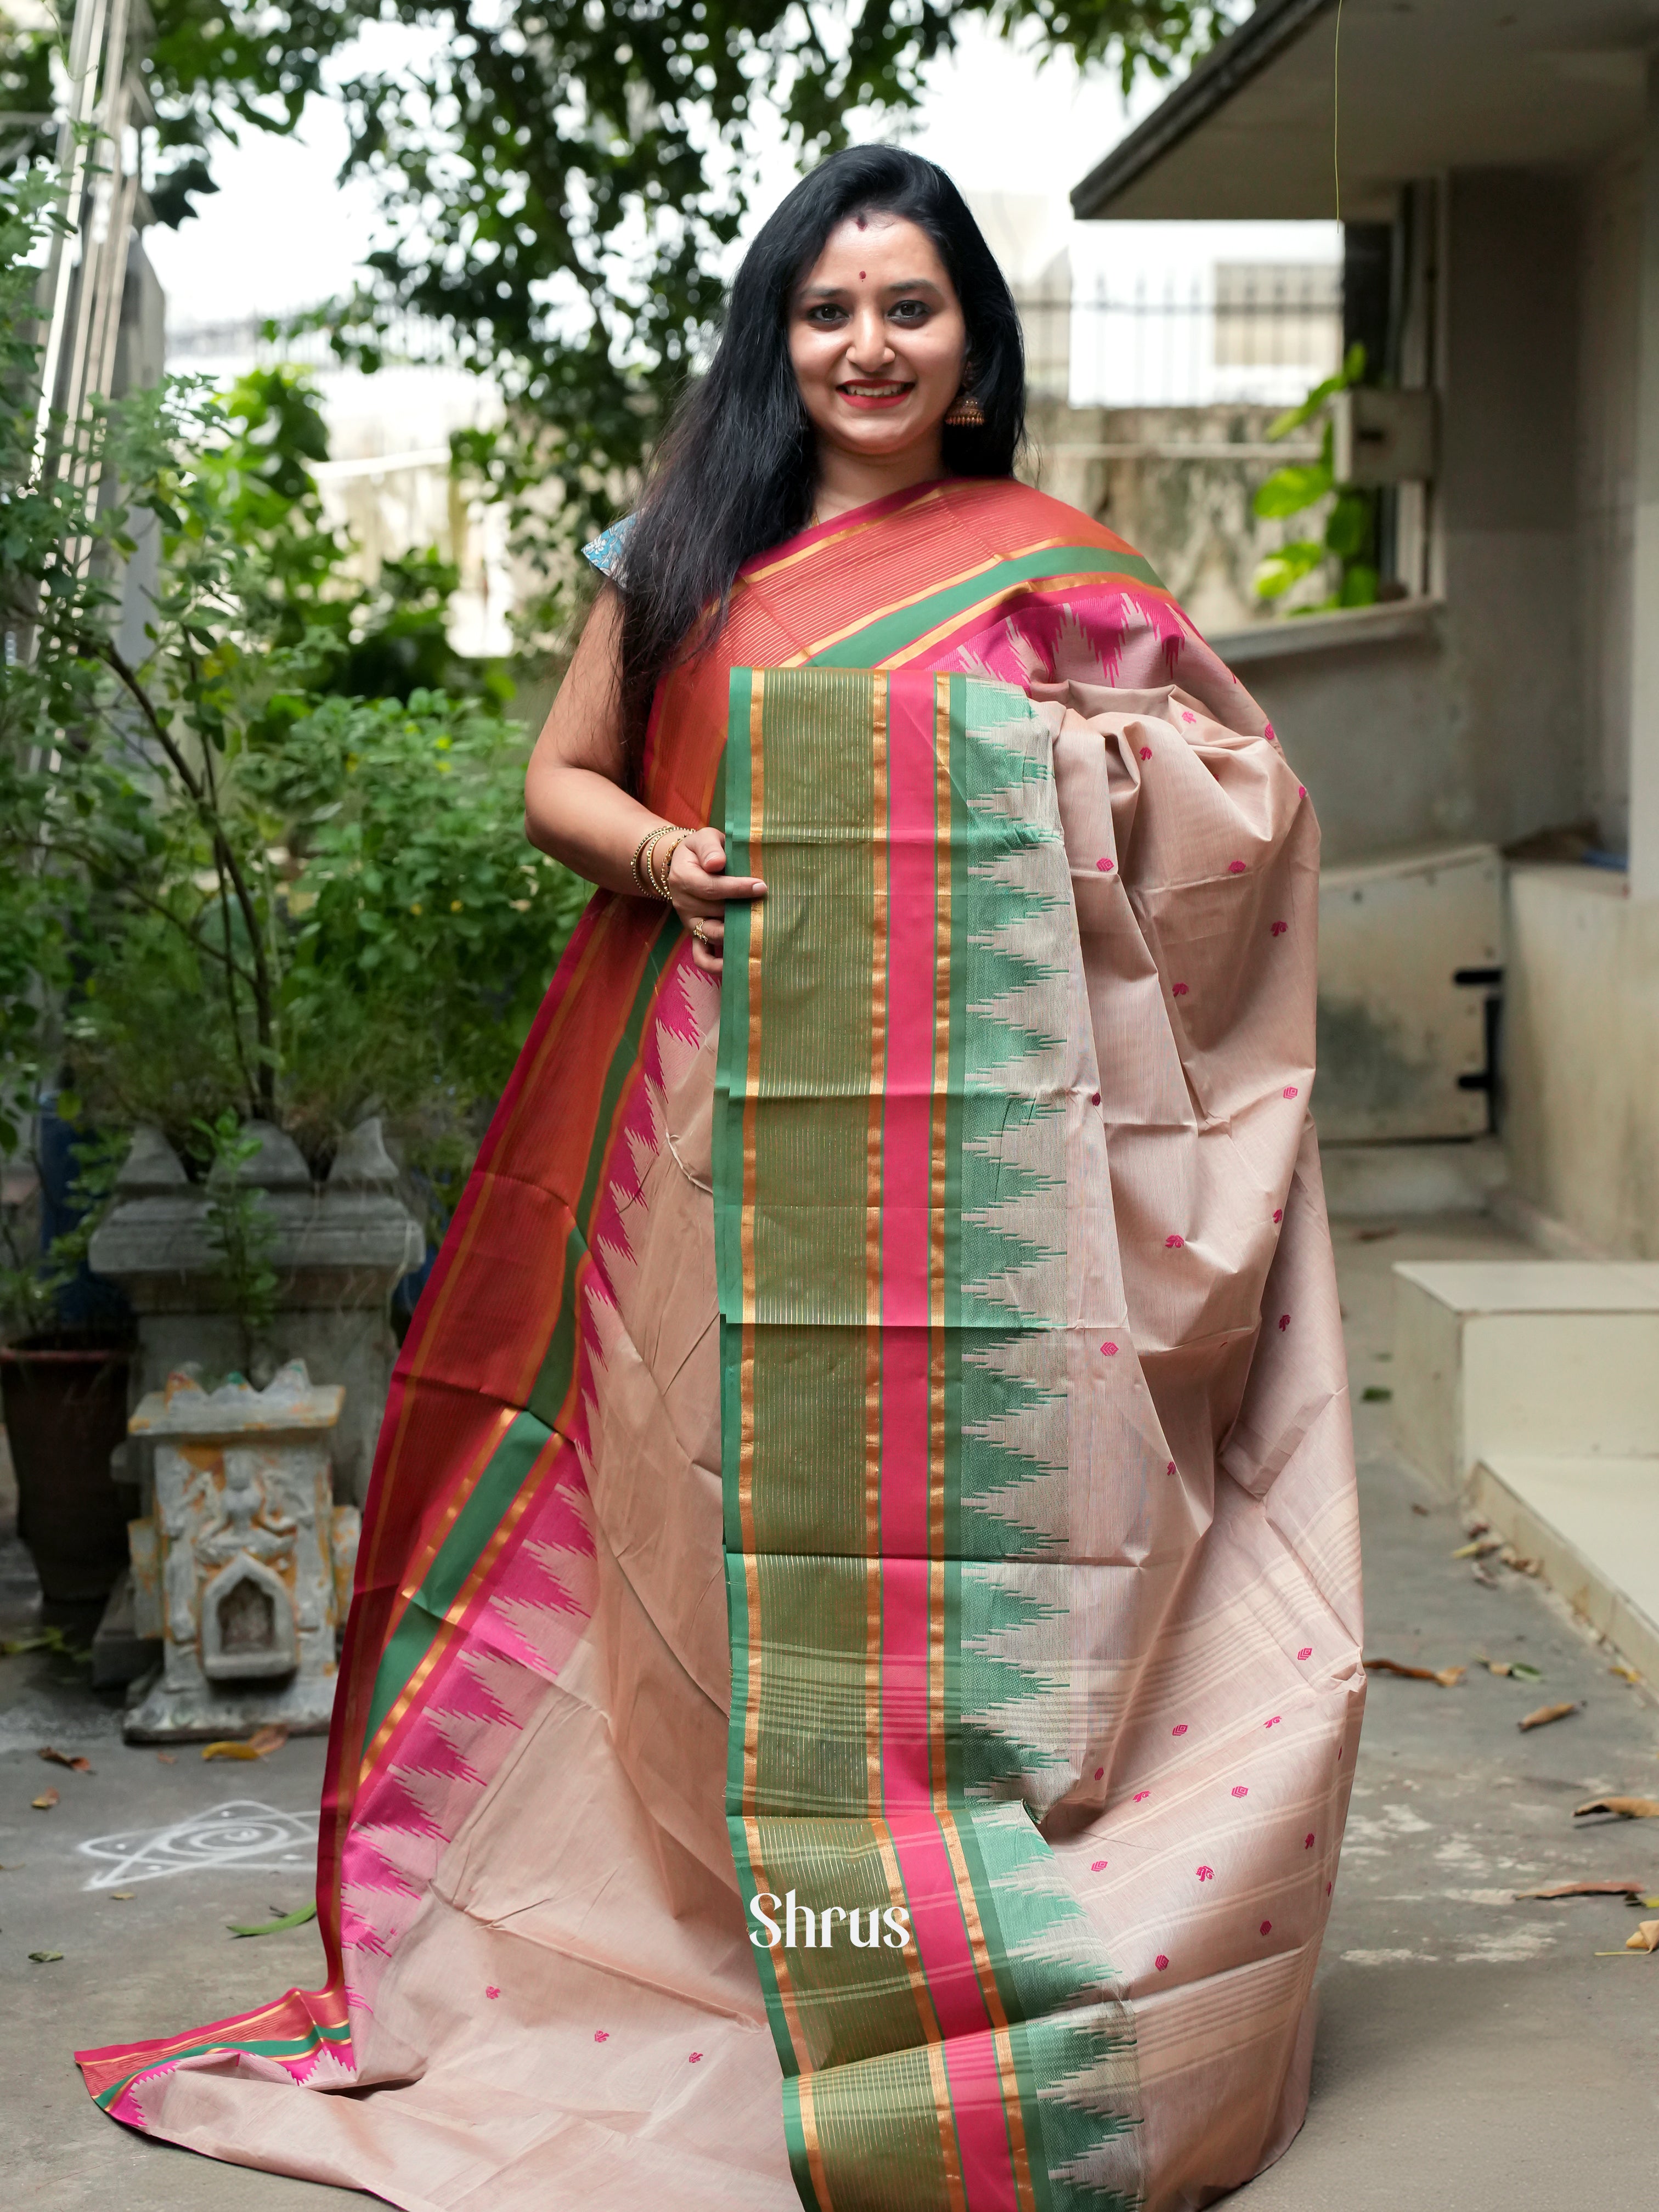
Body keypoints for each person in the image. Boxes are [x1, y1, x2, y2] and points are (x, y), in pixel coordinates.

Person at [80, 146, 1363, 2212]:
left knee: (951, 1561)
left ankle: (928, 1933)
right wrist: (671, 855)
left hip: (983, 1191)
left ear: (973, 347)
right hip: (702, 1134)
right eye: (829, 310)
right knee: (694, 1546)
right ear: (782, 341)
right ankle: (751, 1947)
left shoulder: (1052, 575)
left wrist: (1051, 763)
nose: (870, 344)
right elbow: (558, 780)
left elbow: (1238, 811)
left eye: (912, 308)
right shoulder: (678, 546)